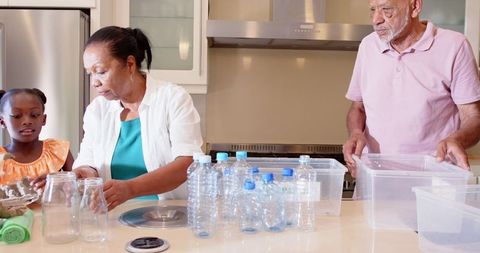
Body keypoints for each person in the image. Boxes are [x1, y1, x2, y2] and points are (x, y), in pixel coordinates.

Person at [343, 0, 480, 176]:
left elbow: (473, 116)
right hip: (375, 180)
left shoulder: (454, 45)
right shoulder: (368, 46)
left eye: (386, 10)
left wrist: (457, 139)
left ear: (414, 7)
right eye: (373, 10)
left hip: (433, 182)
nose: (376, 19)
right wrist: (355, 133)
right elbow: (358, 108)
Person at [73, 26, 203, 210]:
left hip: (169, 216)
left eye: (101, 71)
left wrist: (130, 189)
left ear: (130, 64)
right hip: (114, 217)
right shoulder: (97, 110)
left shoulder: (173, 98)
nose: (94, 82)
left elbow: (186, 165)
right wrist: (82, 173)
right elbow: (89, 160)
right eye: (90, 73)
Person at [0, 88, 74, 187]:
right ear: (2, 122)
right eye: (17, 116)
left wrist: (58, 185)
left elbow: (78, 189)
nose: (27, 121)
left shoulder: (58, 150)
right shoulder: (1, 159)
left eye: (34, 115)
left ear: (44, 119)